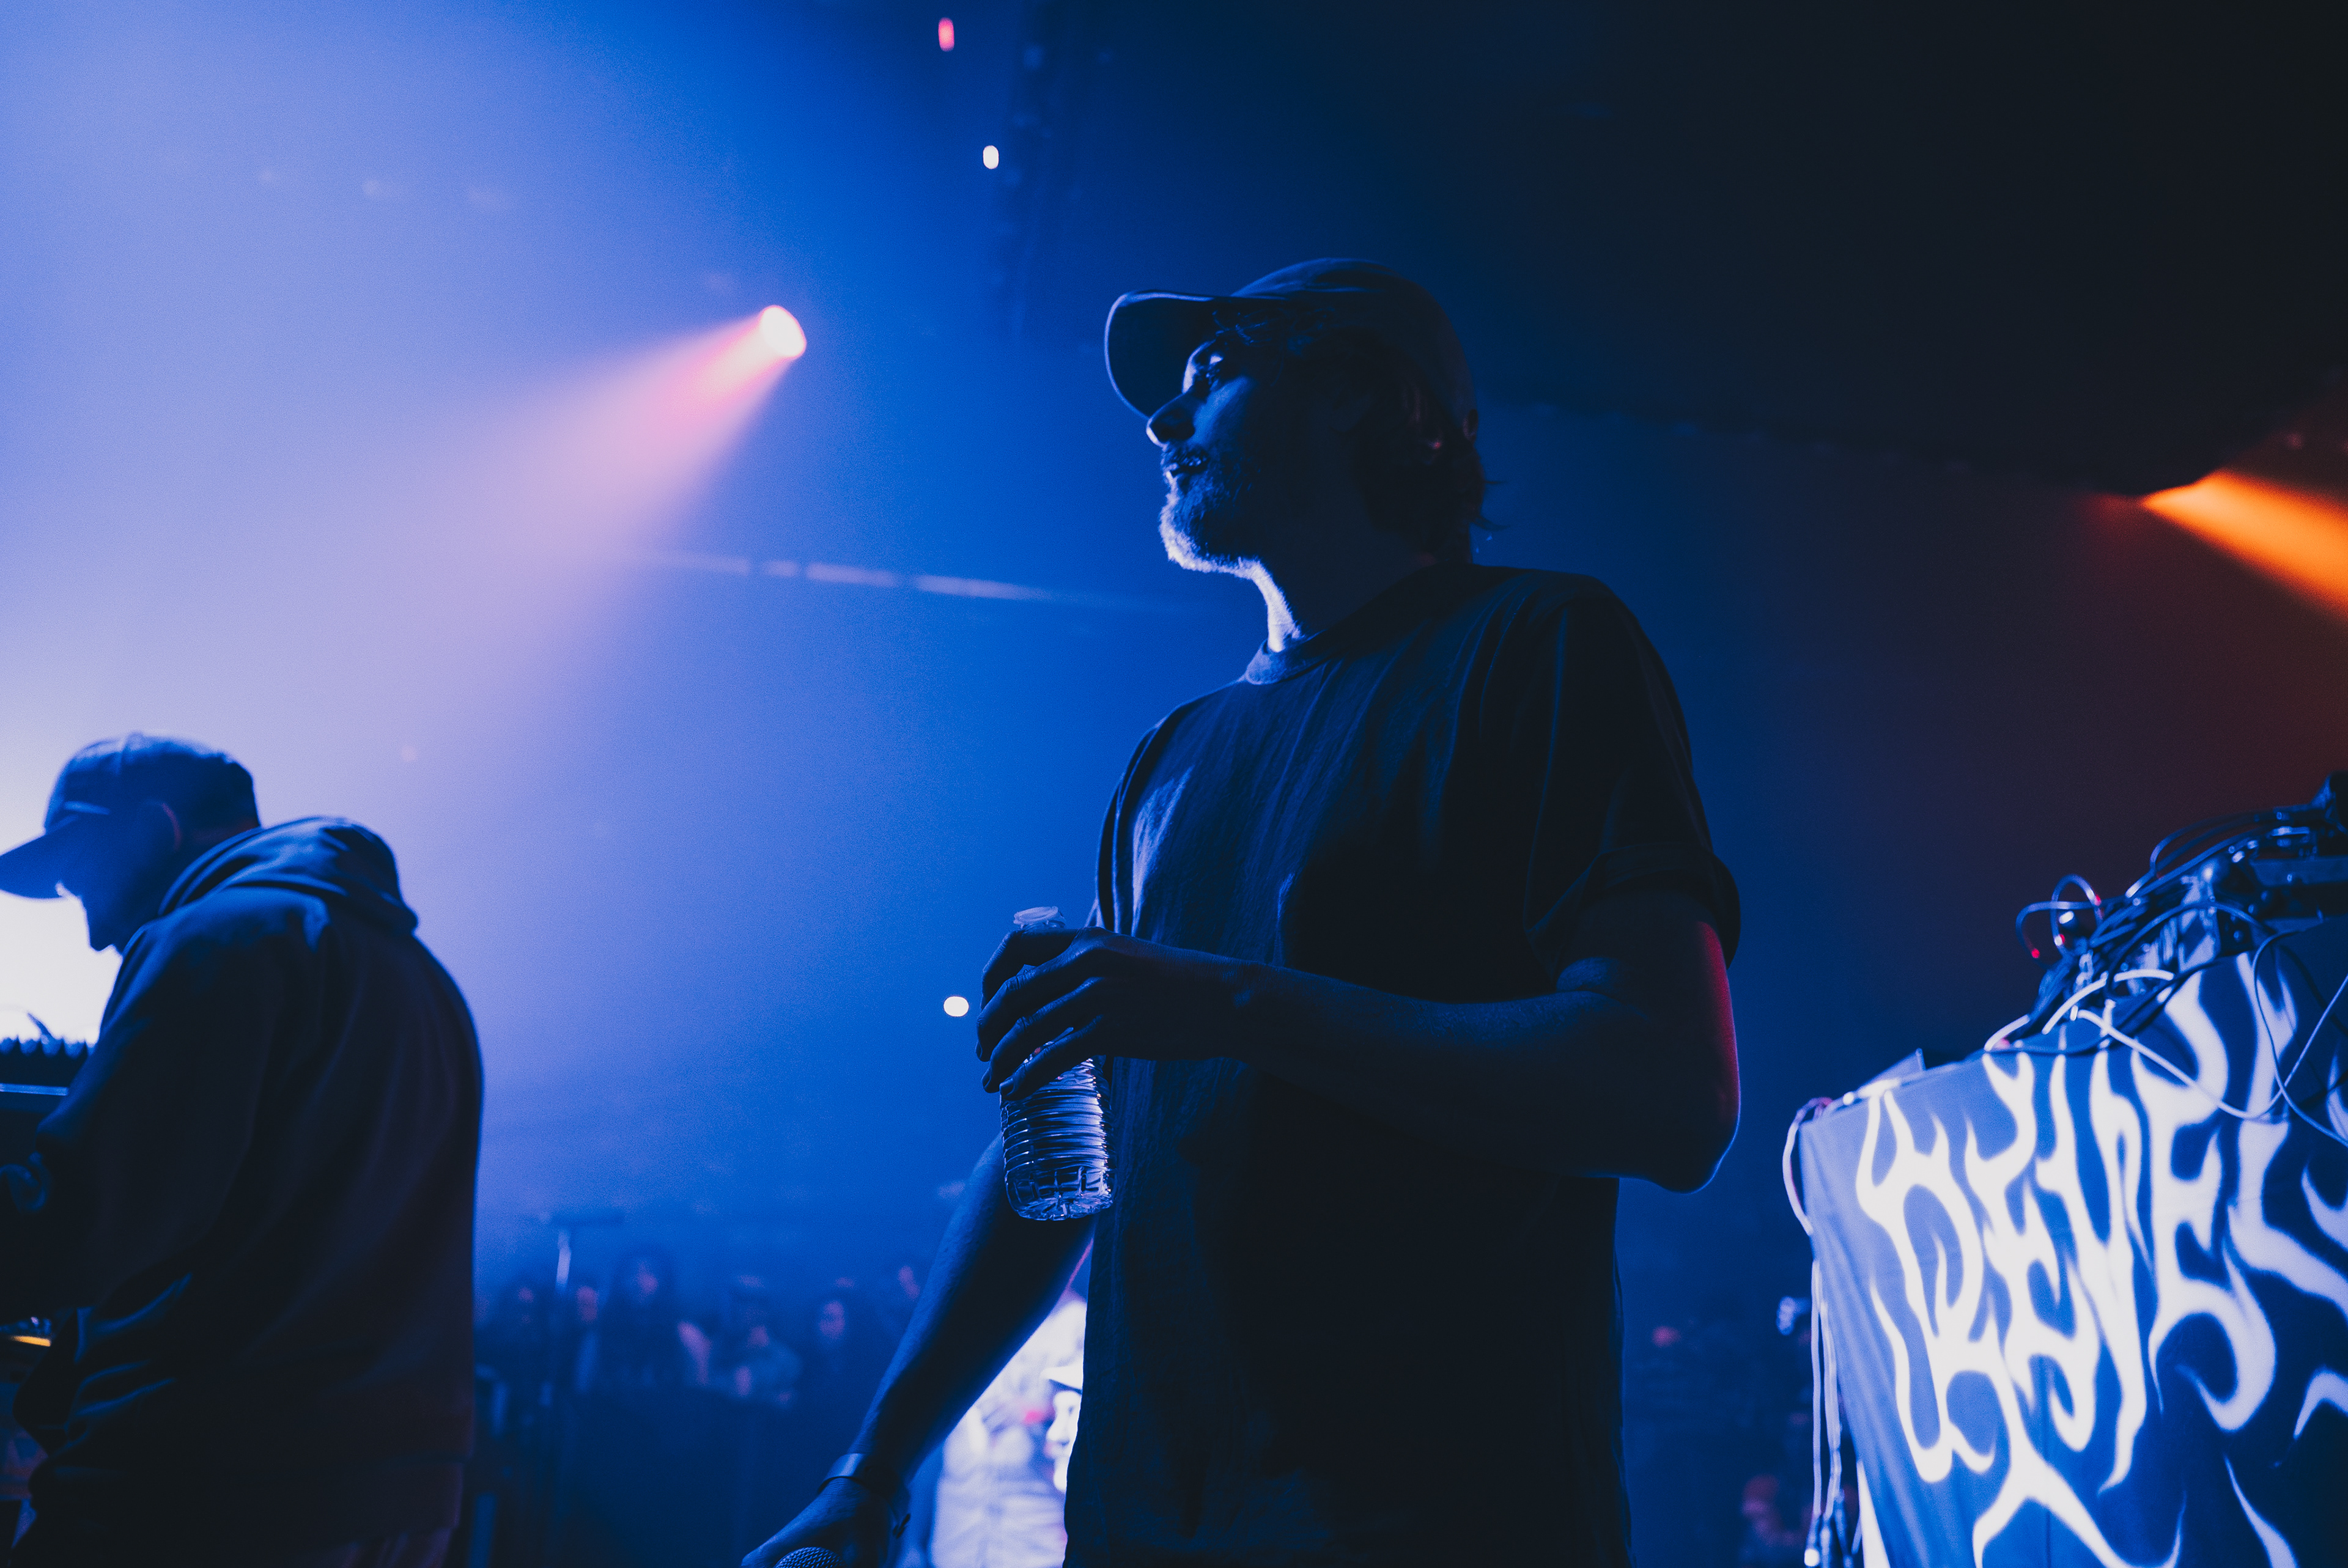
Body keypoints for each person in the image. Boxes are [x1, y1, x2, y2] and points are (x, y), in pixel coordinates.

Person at [747, 260, 1740, 1567]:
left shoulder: (1540, 644)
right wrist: (873, 1468)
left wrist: (1225, 1002)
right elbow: (1059, 1160)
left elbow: (1670, 1090)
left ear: (1358, 395)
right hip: (1135, 1528)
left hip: (1436, 1525)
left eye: (1212, 372)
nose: (1165, 419)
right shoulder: (1170, 758)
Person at [0, 735, 482, 1567]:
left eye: (84, 880)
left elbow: (76, 1228)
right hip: (393, 1500)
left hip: (207, 1490)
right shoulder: (424, 981)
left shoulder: (219, 941)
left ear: (156, 830)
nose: (95, 931)